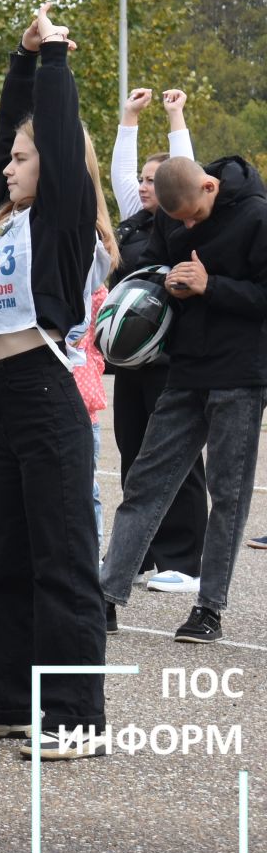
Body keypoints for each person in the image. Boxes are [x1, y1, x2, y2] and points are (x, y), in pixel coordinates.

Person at [0, 3, 110, 760]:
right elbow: (16, 132)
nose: (9, 166)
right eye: (8, 159)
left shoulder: (63, 220)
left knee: (61, 559)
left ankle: (74, 716)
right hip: (5, 397)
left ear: (61, 166)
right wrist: (20, 56)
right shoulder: (5, 222)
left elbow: (57, 140)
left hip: (49, 391)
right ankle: (4, 700)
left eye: (24, 158)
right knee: (8, 554)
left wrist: (56, 60)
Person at [98, 153, 267, 646]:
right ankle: (106, 595)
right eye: (179, 221)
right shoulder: (171, 218)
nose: (187, 225)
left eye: (192, 215)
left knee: (228, 494)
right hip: (184, 369)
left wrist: (210, 285)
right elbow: (154, 263)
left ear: (211, 186)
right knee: (146, 481)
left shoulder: (257, 216)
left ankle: (208, 610)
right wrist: (169, 282)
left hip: (240, 375)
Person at [106, 87, 206, 594]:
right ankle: (139, 550)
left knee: (177, 458)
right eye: (142, 179)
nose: (143, 186)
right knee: (132, 450)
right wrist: (129, 117)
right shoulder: (134, 219)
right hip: (132, 362)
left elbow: (185, 171)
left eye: (153, 180)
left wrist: (175, 115)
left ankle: (185, 561)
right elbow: (120, 175)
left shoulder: (177, 218)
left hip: (173, 360)